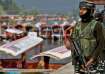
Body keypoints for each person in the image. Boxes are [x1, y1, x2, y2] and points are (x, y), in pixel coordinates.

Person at [65, 1, 105, 74]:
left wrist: (92, 60)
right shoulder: (77, 25)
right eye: (80, 9)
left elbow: (101, 44)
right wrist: (67, 37)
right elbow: (69, 47)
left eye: (84, 9)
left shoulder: (97, 25)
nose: (81, 11)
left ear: (91, 11)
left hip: (94, 63)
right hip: (79, 64)